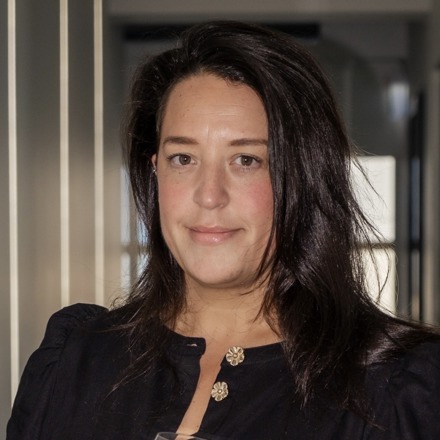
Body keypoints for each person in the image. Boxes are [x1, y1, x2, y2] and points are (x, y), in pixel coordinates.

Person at [7, 21, 440, 440]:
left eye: (246, 160)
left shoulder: (396, 387)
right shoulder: (73, 360)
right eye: (183, 159)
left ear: (303, 177)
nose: (209, 195)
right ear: (155, 171)